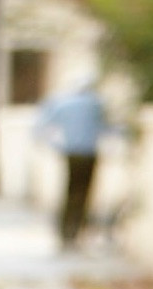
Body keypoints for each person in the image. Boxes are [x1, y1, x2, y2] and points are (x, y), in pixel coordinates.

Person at [36, 77, 105, 247]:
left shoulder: (64, 103)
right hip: (88, 153)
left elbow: (41, 126)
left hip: (72, 153)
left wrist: (55, 145)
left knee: (70, 192)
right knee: (83, 193)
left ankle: (67, 232)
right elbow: (105, 126)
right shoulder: (95, 104)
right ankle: (74, 232)